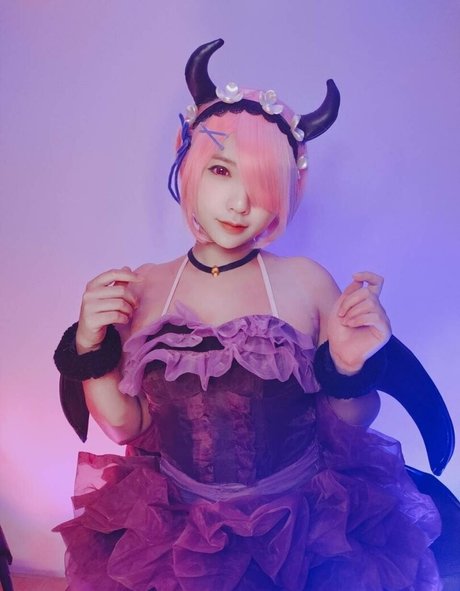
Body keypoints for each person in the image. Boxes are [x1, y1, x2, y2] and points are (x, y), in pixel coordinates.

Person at [54, 39, 446, 591]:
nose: (241, 203)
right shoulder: (144, 286)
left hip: (302, 527)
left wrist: (349, 367)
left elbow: (351, 422)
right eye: (221, 170)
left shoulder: (306, 281)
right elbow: (127, 425)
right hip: (175, 531)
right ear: (188, 163)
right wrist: (91, 346)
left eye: (264, 186)